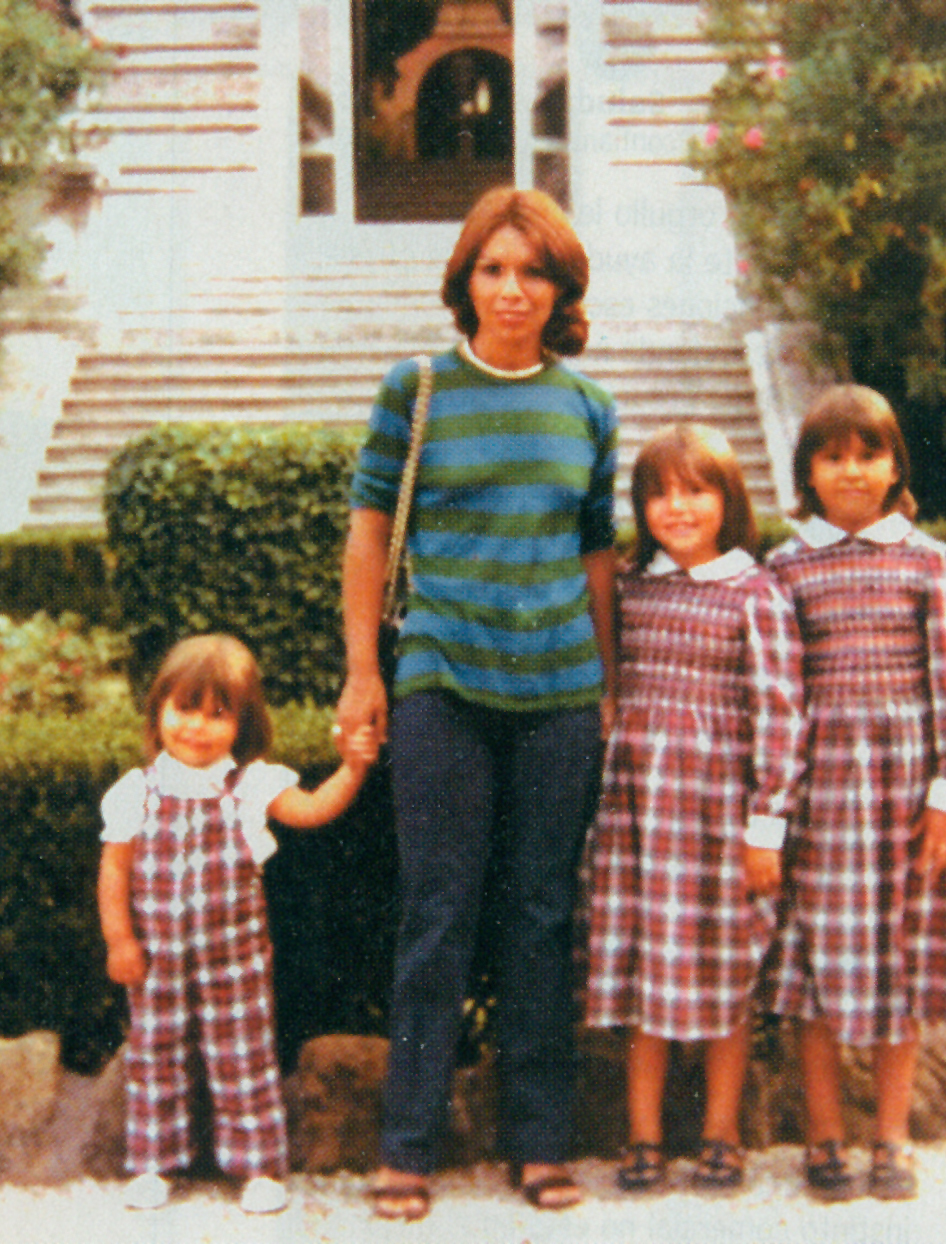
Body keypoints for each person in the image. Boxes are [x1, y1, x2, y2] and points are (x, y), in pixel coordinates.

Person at [336, 186, 618, 1221]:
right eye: (494, 269)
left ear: (560, 289)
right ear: (466, 282)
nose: (512, 289)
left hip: (557, 690)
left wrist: (610, 683)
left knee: (543, 913)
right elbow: (369, 536)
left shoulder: (589, 408)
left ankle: (539, 1140)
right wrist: (365, 670)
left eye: (532, 271)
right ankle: (407, 1145)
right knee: (437, 910)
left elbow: (596, 555)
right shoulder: (415, 390)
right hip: (443, 679)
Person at [763, 385, 946, 1202]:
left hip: (904, 787)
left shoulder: (926, 559)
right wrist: (774, 809)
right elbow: (778, 692)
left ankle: (891, 1137)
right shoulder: (785, 567)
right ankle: (823, 1139)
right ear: (808, 470)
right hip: (818, 787)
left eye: (868, 454)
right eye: (832, 457)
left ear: (894, 467)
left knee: (904, 959)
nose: (851, 472)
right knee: (813, 963)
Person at [585, 423, 805, 1194]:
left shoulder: (756, 593)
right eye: (659, 494)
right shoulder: (632, 588)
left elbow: (779, 716)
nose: (676, 508)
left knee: (725, 969)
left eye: (695, 491)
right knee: (648, 966)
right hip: (642, 817)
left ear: (728, 499)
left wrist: (765, 826)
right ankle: (642, 1135)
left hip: (718, 819)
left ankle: (721, 1130)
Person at [97, 634, 377, 1214]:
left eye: (216, 714)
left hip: (236, 960)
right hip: (156, 960)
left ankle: (258, 1165)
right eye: (184, 708)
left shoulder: (248, 786)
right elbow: (115, 870)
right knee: (155, 1052)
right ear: (157, 711)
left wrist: (351, 769)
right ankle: (153, 1160)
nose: (196, 726)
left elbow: (312, 808)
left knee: (243, 1055)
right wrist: (120, 939)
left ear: (243, 725)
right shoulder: (136, 793)